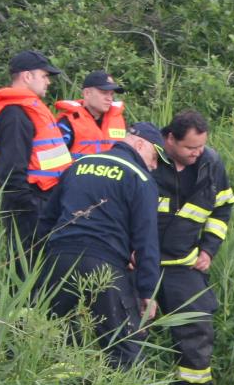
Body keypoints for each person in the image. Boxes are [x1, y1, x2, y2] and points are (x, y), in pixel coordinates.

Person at [35, 122, 164, 367]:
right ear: (139, 144)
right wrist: (148, 291)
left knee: (56, 340)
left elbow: (47, 220)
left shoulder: (79, 166)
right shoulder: (140, 178)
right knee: (123, 344)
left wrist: (42, 266)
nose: (154, 165)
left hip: (59, 260)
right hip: (104, 266)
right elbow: (147, 241)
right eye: (155, 157)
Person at [151, 110, 234, 385]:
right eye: (190, 148)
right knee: (126, 328)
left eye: (200, 147)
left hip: (184, 265)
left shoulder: (210, 163)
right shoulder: (147, 156)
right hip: (139, 263)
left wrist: (209, 249)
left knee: (197, 332)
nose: (196, 153)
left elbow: (223, 205)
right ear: (170, 139)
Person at [0, 49, 73, 257]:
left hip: (44, 200)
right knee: (27, 272)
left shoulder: (26, 110)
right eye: (44, 76)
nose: (48, 82)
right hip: (30, 206)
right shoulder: (14, 115)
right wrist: (31, 210)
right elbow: (11, 173)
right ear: (27, 76)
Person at [54, 70, 128, 158]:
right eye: (104, 93)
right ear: (87, 93)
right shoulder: (67, 124)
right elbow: (52, 160)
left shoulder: (119, 121)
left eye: (111, 94)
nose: (109, 98)